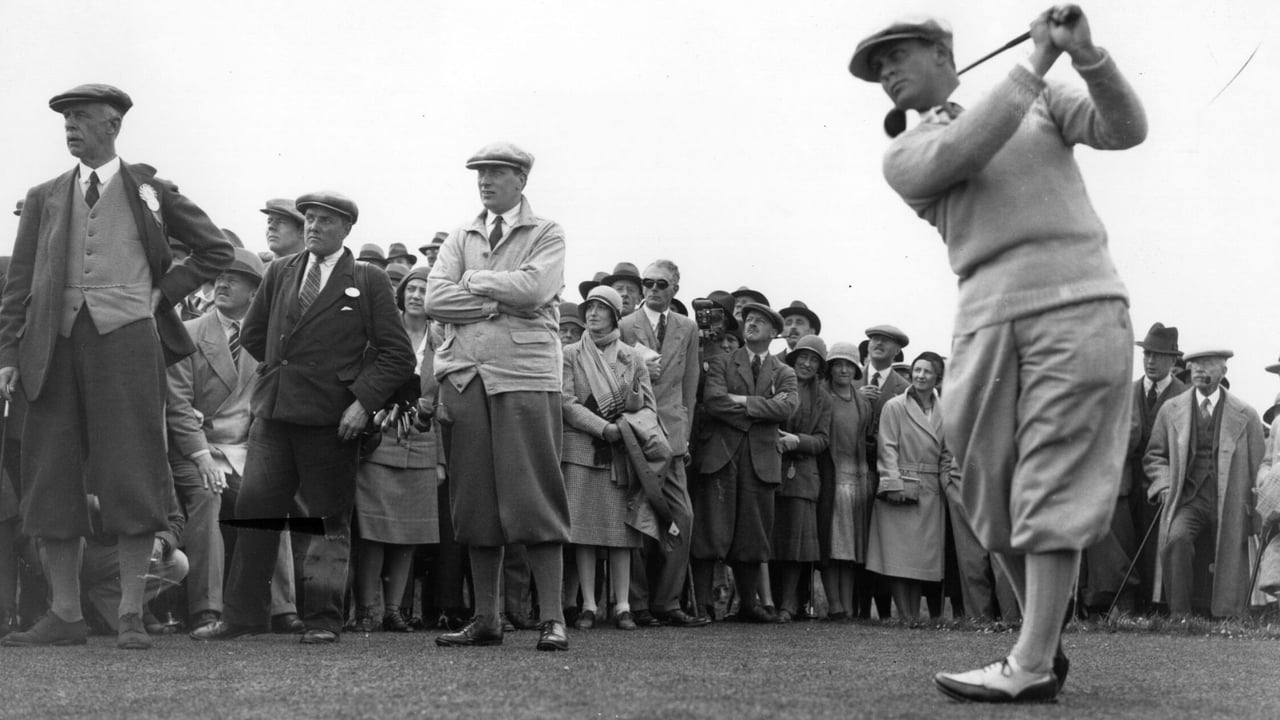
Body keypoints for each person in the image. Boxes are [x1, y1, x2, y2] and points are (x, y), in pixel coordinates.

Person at [851, 5, 1147, 701]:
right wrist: (1038, 60)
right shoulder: (906, 152)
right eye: (877, 68)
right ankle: (1043, 641)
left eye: (897, 55)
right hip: (984, 323)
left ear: (941, 51)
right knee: (990, 496)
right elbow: (966, 149)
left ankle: (1034, 660)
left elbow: (1126, 130)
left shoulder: (1041, 93)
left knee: (1051, 481)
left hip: (1078, 303)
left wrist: (1087, 55)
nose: (886, 73)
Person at [0, 84, 233, 650]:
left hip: (127, 347)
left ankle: (131, 613)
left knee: (131, 472)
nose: (70, 128)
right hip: (50, 350)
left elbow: (215, 251)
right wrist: (7, 356)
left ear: (114, 126)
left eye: (81, 119)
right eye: (66, 121)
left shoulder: (151, 191)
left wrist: (161, 294)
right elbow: (19, 285)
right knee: (50, 475)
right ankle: (65, 615)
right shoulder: (44, 196)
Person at [191, 191, 416, 645]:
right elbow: (255, 334)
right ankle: (244, 616)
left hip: (334, 420)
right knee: (256, 514)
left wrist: (360, 402)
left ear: (347, 228)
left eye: (325, 220)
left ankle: (322, 619)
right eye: (309, 218)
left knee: (326, 521)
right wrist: (281, 375)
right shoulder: (280, 271)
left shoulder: (367, 280)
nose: (313, 226)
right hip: (274, 416)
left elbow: (397, 355)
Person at [427, 142, 571, 651]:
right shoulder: (459, 235)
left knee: (533, 496)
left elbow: (536, 291)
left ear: (521, 180)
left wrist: (476, 283)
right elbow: (433, 297)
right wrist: (494, 302)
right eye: (480, 173)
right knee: (474, 504)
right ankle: (486, 618)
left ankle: (552, 618)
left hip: (525, 376)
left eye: (497, 172)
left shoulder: (546, 232)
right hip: (465, 377)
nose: (486, 181)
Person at [165, 247, 304, 634]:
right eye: (218, 278)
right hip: (197, 449)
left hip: (248, 449)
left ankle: (282, 607)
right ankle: (206, 608)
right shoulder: (187, 333)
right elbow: (177, 405)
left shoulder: (268, 339)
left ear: (255, 292)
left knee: (272, 497)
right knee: (208, 496)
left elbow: (270, 405)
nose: (222, 284)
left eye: (235, 279)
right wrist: (200, 454)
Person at [690, 302, 798, 623]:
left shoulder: (784, 371)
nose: (751, 324)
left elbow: (787, 408)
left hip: (760, 460)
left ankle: (748, 605)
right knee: (710, 529)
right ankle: (704, 606)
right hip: (720, 456)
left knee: (753, 533)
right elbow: (714, 402)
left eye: (760, 321)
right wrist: (762, 408)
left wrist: (742, 403)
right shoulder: (721, 362)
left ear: (774, 333)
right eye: (749, 319)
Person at [619, 259, 708, 627]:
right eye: (648, 283)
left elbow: (690, 386)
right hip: (637, 432)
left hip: (671, 436)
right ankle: (637, 603)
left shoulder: (688, 328)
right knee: (637, 518)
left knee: (682, 517)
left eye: (661, 284)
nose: (653, 290)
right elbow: (615, 381)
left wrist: (683, 436)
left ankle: (667, 601)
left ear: (675, 288)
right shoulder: (625, 325)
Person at [351, 266, 440, 633]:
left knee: (410, 532)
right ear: (400, 295)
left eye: (425, 289)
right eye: (412, 289)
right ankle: (365, 610)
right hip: (381, 434)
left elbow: (446, 395)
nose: (417, 295)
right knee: (374, 529)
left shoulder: (441, 338)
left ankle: (393, 610)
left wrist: (442, 460)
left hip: (423, 438)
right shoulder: (384, 332)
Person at [561, 287, 655, 630]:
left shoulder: (634, 357)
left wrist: (624, 429)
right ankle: (587, 605)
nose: (593, 314)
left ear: (616, 315)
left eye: (601, 309)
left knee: (620, 533)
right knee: (583, 530)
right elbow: (566, 402)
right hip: (582, 449)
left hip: (622, 452)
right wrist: (603, 428)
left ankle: (622, 605)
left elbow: (648, 407)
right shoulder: (570, 353)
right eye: (590, 308)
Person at [1144, 349, 1264, 618]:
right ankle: (1179, 616)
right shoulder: (1171, 409)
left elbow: (1259, 467)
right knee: (1176, 539)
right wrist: (1163, 485)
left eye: (1208, 364)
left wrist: (1255, 512)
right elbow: (1154, 455)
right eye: (1194, 364)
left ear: (1224, 372)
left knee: (1231, 552)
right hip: (1188, 500)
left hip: (1231, 501)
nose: (1199, 370)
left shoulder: (1246, 414)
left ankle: (1228, 614)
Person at [1095, 322, 1186, 614]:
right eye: (1147, 354)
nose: (1150, 360)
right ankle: (1124, 602)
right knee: (1122, 542)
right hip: (1125, 482)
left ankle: (1154, 609)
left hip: (1164, 485)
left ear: (1173, 361)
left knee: (1154, 550)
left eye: (1158, 355)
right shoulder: (1127, 392)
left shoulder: (1184, 397)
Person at [866, 352, 951, 622]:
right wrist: (892, 483)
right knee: (898, 556)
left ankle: (913, 615)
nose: (920, 375)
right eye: (917, 370)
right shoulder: (895, 406)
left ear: (938, 377)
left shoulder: (946, 410)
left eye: (927, 371)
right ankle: (906, 615)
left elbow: (948, 451)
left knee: (920, 559)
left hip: (931, 488)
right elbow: (887, 446)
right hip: (901, 484)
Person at [771, 336, 831, 622]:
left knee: (795, 543)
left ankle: (789, 603)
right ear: (793, 359)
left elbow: (822, 440)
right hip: (769, 467)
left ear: (820, 366)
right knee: (769, 538)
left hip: (803, 474)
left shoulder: (823, 396)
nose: (806, 363)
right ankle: (767, 601)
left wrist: (797, 440)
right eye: (802, 357)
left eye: (814, 359)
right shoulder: (777, 380)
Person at [816, 342, 872, 622]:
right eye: (838, 364)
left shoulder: (862, 401)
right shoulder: (822, 396)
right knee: (832, 545)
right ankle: (835, 604)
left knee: (851, 547)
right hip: (830, 477)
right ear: (829, 368)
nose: (843, 369)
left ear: (856, 369)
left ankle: (847, 607)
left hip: (856, 480)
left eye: (849, 364)